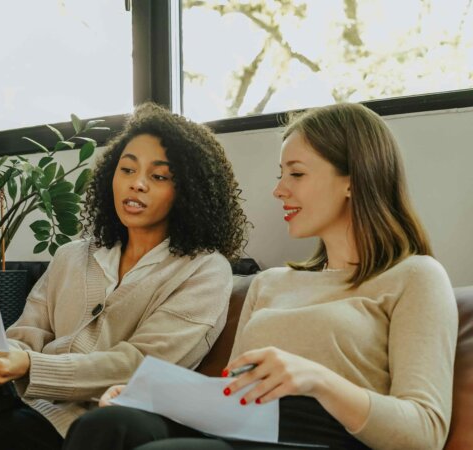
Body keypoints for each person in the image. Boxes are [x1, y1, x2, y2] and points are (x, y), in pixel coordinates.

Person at [63, 103, 458, 450]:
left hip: (322, 437)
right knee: (106, 425)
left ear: (352, 179)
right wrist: (149, 396)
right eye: (280, 174)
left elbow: (424, 432)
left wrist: (317, 379)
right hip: (243, 428)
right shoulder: (271, 283)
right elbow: (229, 397)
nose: (279, 190)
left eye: (296, 174)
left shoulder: (415, 276)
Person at [0, 103, 249, 450]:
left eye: (159, 176)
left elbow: (140, 365)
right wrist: (0, 352)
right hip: (24, 397)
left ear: (189, 191)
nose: (137, 183)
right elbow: (28, 334)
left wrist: (32, 366)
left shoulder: (204, 269)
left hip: (85, 419)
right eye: (127, 169)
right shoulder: (73, 254)